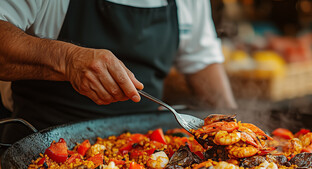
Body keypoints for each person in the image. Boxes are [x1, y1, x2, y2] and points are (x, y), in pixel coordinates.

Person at [0, 0, 237, 142]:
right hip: (46, 141)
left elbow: (202, 60)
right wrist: (67, 59)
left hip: (146, 148)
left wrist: (237, 127)